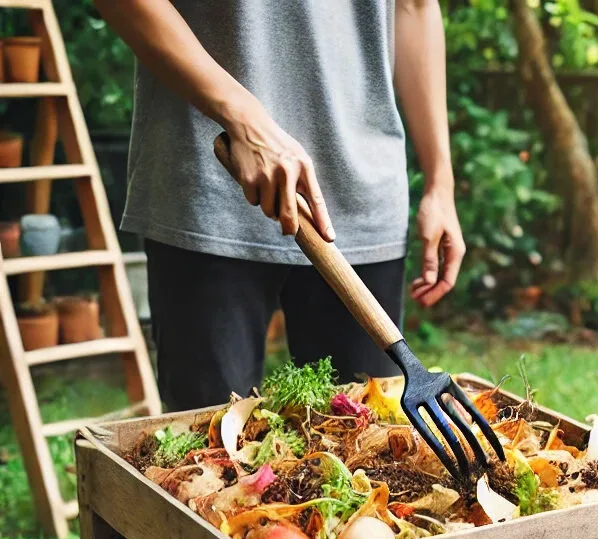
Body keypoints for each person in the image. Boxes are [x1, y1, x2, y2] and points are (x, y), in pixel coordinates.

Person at [95, 0, 465, 411]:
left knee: (371, 451)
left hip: (364, 198)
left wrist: (440, 181)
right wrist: (242, 116)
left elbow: (413, 6)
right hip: (208, 194)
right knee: (206, 456)